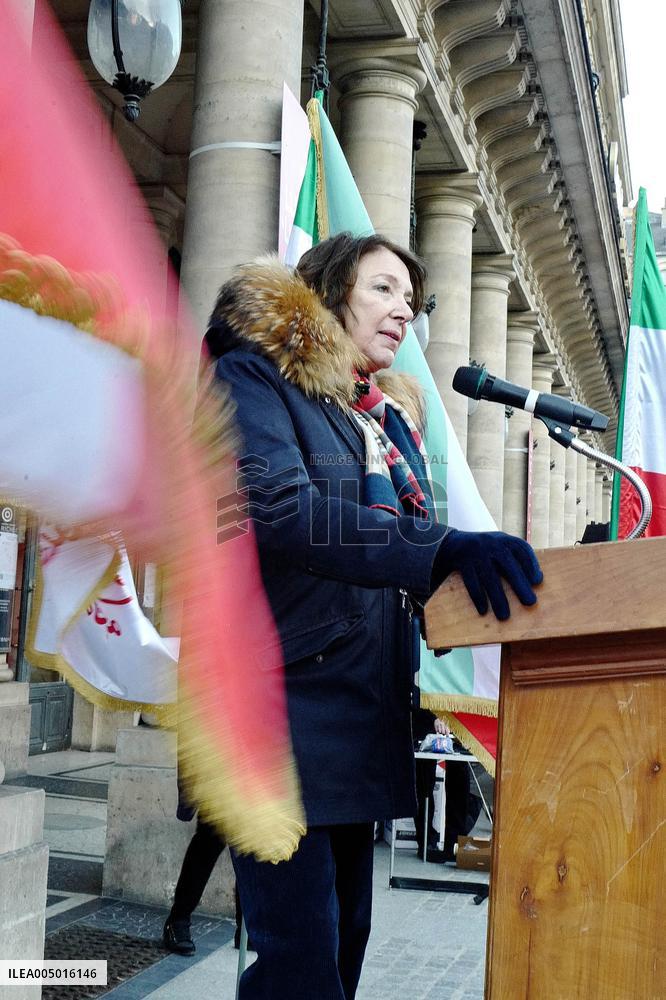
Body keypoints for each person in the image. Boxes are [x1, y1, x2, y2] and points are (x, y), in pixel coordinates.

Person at [204, 232, 543, 999]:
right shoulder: (251, 377)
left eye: (412, 301)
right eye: (385, 289)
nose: (403, 313)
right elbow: (281, 509)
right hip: (277, 711)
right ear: (327, 290)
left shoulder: (377, 419)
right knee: (300, 964)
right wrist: (439, 548)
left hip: (359, 713)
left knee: (343, 947)